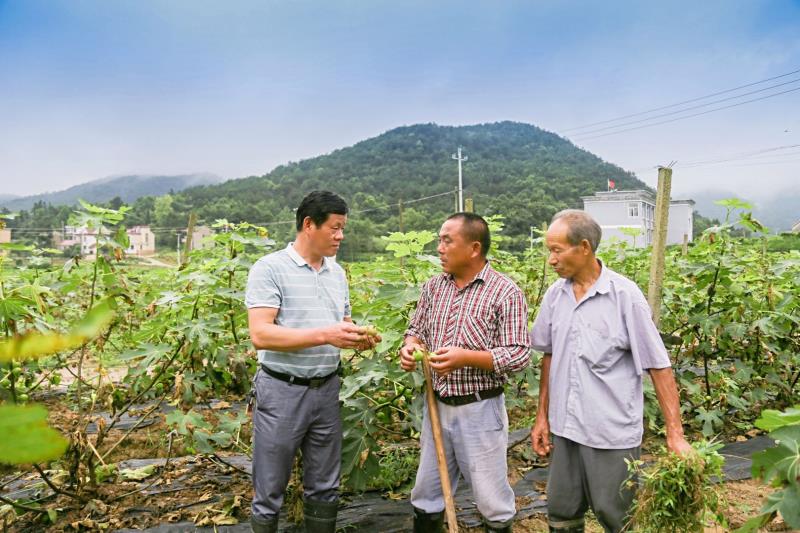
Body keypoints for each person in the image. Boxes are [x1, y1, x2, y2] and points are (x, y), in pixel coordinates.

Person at [529, 209, 692, 533]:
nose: (551, 260)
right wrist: (542, 417)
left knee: (619, 516)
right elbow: (549, 355)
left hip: (609, 432)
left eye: (557, 250)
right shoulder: (555, 295)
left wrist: (675, 434)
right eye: (550, 251)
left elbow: (658, 365)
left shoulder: (624, 296)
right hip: (565, 426)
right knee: (562, 513)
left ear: (585, 247)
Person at [246, 190, 377, 533]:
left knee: (325, 485)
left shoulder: (337, 273)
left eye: (342, 228)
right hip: (282, 389)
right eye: (334, 228)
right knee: (270, 487)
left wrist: (356, 336)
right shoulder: (270, 268)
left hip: (326, 389)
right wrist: (326, 335)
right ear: (309, 225)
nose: (341, 236)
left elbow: (340, 325)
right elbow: (261, 334)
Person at [399, 212, 531, 533]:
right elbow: (415, 328)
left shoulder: (504, 292)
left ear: (474, 248)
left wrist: (466, 358)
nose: (440, 248)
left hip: (480, 409)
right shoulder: (434, 288)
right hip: (437, 404)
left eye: (447, 240)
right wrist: (409, 346)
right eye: (439, 240)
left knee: (491, 499)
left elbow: (518, 354)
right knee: (427, 492)